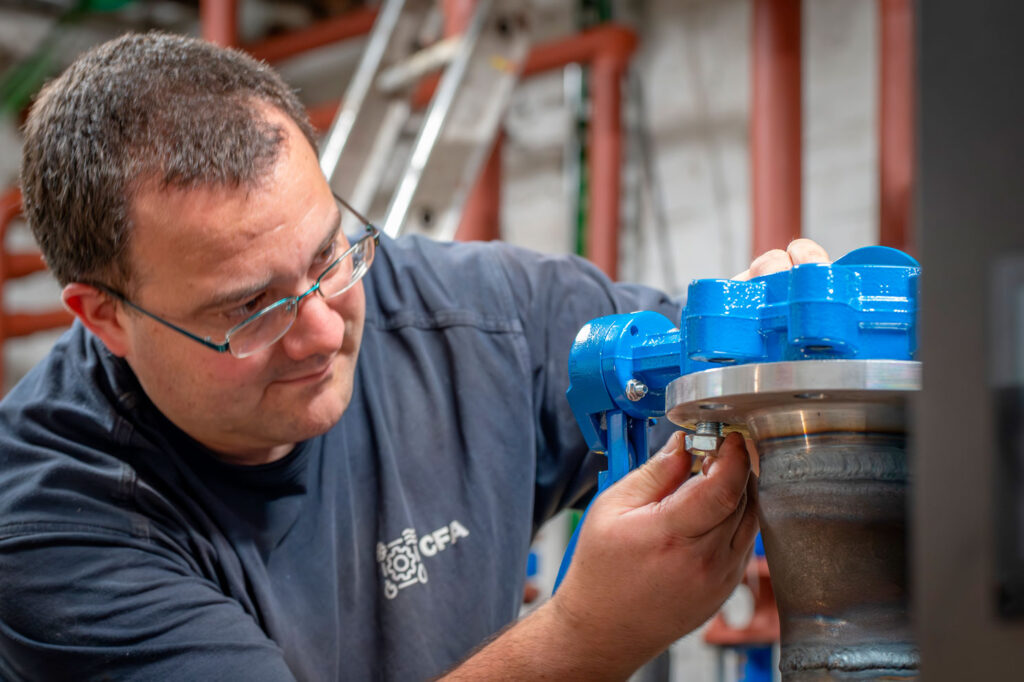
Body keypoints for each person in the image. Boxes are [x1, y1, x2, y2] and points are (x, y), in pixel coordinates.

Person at [0, 32, 829, 681]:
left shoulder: (481, 320)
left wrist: (781, 360)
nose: (323, 330)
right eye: (248, 309)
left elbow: (727, 391)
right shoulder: (50, 521)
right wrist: (583, 639)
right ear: (104, 316)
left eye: (330, 255)